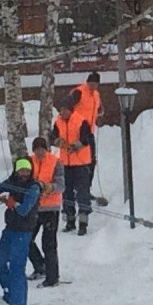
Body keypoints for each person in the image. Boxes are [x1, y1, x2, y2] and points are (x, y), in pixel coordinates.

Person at [0, 158, 41, 305]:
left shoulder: (33, 187)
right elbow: (1, 187)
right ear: (16, 171)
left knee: (16, 267)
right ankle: (10, 293)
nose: (24, 173)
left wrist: (11, 202)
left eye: (27, 170)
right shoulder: (13, 181)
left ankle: (18, 303)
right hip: (10, 229)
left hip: (23, 231)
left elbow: (24, 209)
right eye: (21, 170)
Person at [49, 101, 93, 236]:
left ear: (71, 110)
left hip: (81, 163)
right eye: (61, 110)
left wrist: (78, 144)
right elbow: (53, 137)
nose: (62, 113)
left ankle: (83, 222)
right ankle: (70, 220)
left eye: (65, 110)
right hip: (65, 163)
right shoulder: (58, 122)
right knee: (66, 193)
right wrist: (57, 141)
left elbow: (88, 138)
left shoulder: (81, 121)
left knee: (82, 193)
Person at [27, 137, 65, 287]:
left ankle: (52, 277)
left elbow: (61, 185)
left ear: (46, 149)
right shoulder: (29, 161)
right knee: (27, 239)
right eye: (37, 149)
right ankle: (40, 266)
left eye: (42, 149)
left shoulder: (56, 162)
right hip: (34, 208)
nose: (39, 152)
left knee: (48, 244)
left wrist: (50, 187)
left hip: (51, 208)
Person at [69, 71, 104, 191]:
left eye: (95, 84)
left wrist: (98, 116)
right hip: (77, 132)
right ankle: (74, 188)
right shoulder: (79, 92)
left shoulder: (96, 95)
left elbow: (99, 109)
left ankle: (85, 188)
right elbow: (67, 107)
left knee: (91, 161)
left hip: (89, 133)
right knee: (77, 161)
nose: (93, 86)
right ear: (87, 82)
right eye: (91, 83)